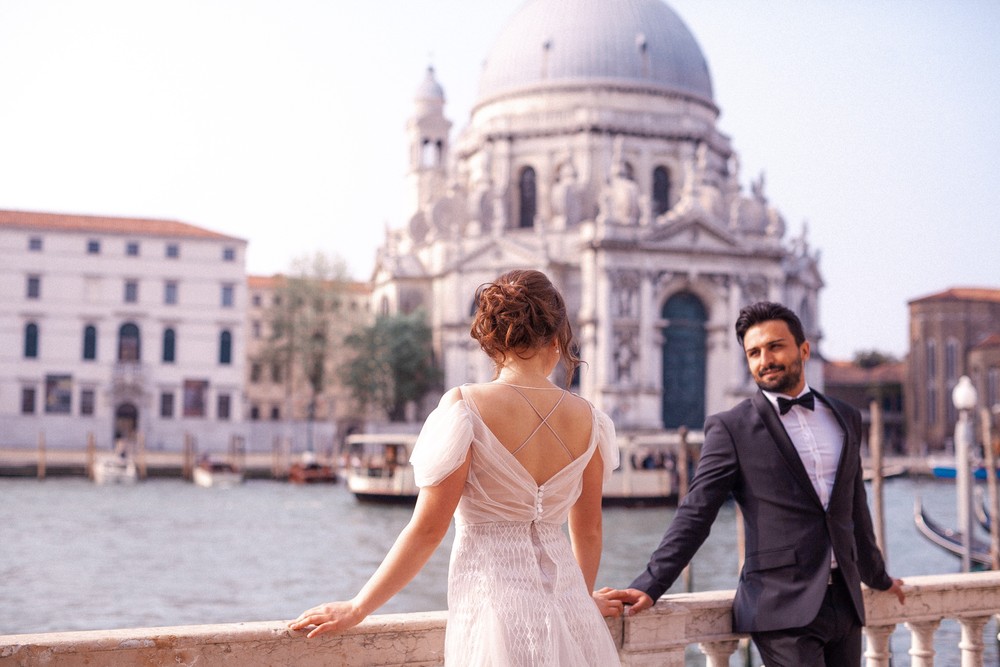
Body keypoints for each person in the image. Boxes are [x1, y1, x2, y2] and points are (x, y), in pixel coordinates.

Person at [289, 269, 623, 665]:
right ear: (556, 338)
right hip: (570, 610)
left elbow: (429, 528)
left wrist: (359, 607)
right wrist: (579, 600)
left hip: (493, 611)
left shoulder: (465, 406)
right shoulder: (591, 419)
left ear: (491, 342)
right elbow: (588, 528)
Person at [601, 301, 905, 667]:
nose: (765, 360)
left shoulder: (845, 417)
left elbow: (855, 507)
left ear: (804, 350)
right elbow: (697, 512)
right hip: (779, 607)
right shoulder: (731, 428)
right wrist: (651, 583)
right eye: (754, 352)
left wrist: (878, 576)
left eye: (775, 346)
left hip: (846, 603)